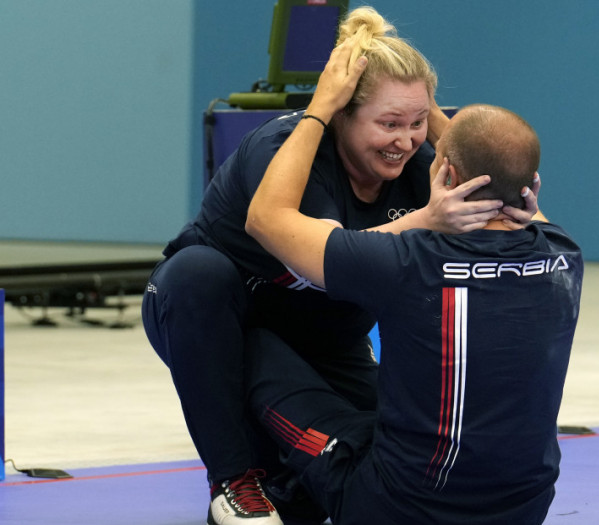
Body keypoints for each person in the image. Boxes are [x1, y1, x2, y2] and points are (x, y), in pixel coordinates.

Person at [141, 7, 537, 525]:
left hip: (326, 337)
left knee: (373, 461)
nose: (405, 140)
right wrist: (423, 218)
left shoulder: (422, 165)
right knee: (197, 273)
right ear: (343, 115)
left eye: (417, 124)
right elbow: (330, 255)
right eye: (389, 123)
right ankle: (234, 484)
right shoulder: (283, 150)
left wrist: (438, 126)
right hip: (221, 322)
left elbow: (522, 219)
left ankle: (281, 485)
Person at [244, 32, 583, 525]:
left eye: (420, 126)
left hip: (396, 510)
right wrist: (429, 116)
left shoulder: (406, 260)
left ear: (444, 170)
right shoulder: (564, 255)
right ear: (532, 189)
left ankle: (260, 487)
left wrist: (321, 109)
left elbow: (265, 218)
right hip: (523, 509)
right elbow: (511, 180)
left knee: (248, 340)